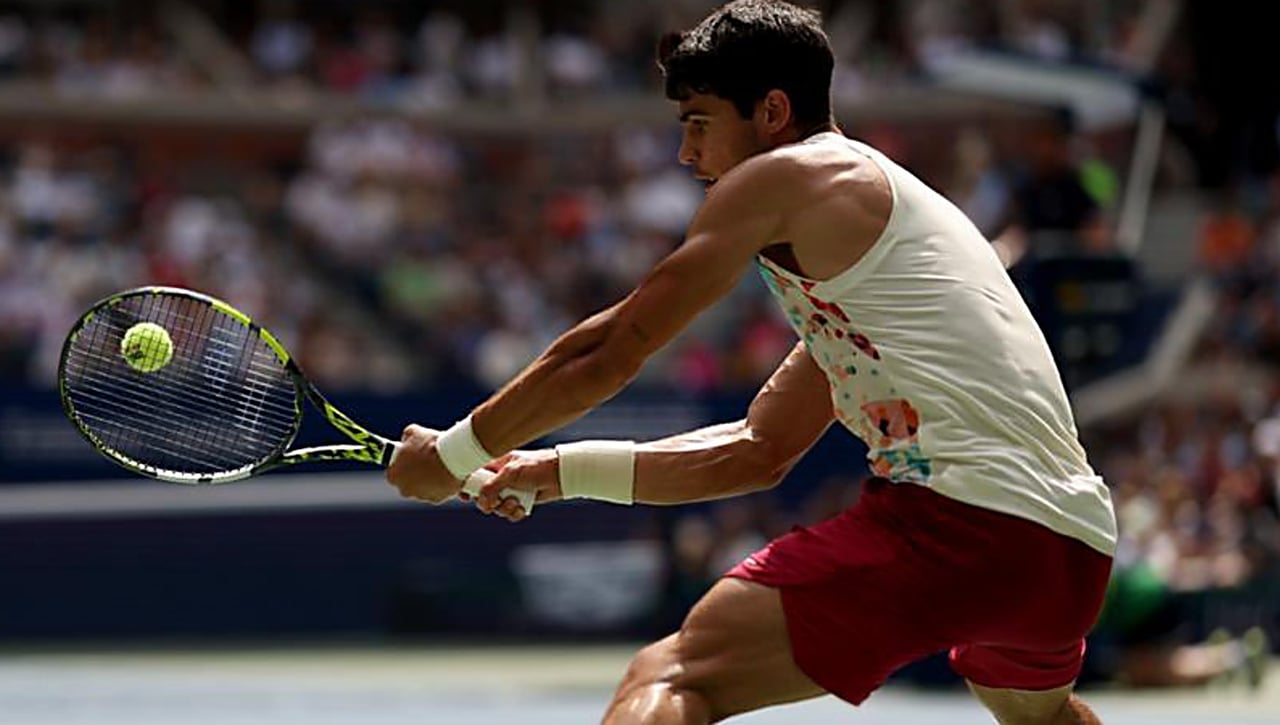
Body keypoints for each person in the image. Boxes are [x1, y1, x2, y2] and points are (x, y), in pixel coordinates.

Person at [386, 2, 1118, 723]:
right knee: (1043, 720)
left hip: (960, 525)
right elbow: (755, 451)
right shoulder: (876, 270)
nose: (686, 154)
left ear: (771, 112)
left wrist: (457, 450)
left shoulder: (792, 177)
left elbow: (616, 347)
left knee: (672, 674)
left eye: (700, 122)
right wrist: (553, 472)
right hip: (1068, 555)